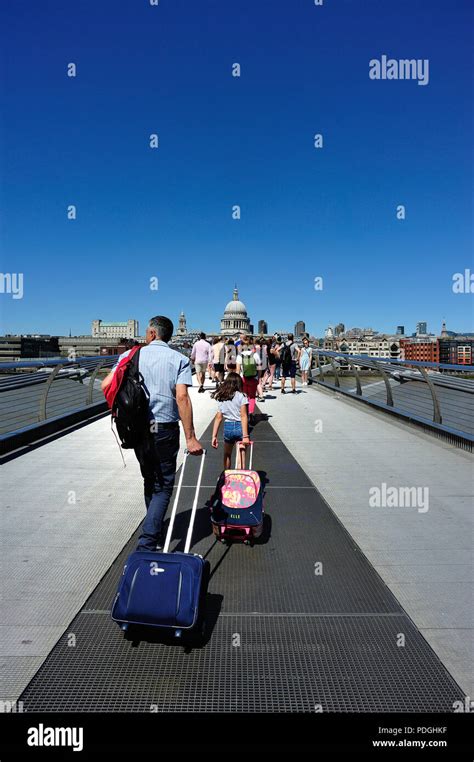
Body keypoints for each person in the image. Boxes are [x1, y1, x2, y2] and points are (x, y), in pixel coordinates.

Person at [101, 315, 203, 552]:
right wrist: (190, 437)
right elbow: (182, 398)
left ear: (152, 334)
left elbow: (106, 385)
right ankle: (147, 542)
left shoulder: (129, 355)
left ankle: (154, 533)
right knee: (163, 485)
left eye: (147, 331)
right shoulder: (179, 359)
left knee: (150, 480)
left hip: (137, 428)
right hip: (164, 428)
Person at [211, 372, 250, 470]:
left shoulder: (223, 396)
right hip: (239, 427)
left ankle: (227, 474)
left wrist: (214, 436)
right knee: (241, 454)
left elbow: (218, 417)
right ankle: (240, 477)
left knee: (227, 454)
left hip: (228, 426)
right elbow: (244, 416)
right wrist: (245, 436)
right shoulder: (242, 396)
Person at [236, 336, 261, 425]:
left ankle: (244, 413)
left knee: (244, 397)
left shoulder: (240, 355)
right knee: (252, 397)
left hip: (244, 379)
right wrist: (258, 378)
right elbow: (259, 367)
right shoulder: (255, 355)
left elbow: (238, 370)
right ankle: (250, 413)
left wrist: (237, 380)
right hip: (253, 378)